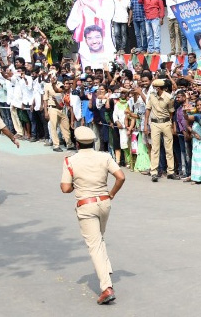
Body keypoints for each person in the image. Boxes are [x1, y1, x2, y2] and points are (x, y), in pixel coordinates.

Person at [61, 124, 125, 305]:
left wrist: (76, 184)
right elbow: (120, 177)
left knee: (94, 244)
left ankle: (106, 287)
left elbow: (65, 188)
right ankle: (106, 268)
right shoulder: (105, 156)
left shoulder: (70, 160)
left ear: (77, 143)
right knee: (99, 238)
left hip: (86, 204)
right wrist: (111, 193)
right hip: (105, 202)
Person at [147, 78, 175, 181]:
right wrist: (146, 124)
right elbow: (148, 109)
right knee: (155, 148)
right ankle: (153, 172)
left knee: (169, 148)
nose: (154, 89)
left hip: (166, 122)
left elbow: (171, 111)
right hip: (154, 123)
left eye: (155, 88)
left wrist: (170, 123)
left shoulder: (169, 97)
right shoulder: (151, 96)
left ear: (159, 88)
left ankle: (170, 171)